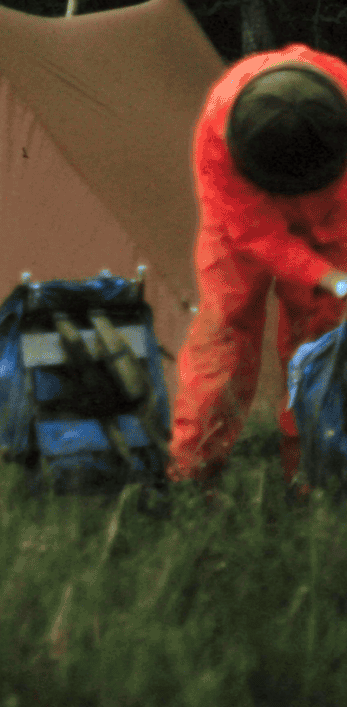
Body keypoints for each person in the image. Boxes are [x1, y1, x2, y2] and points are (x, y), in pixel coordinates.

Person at [167, 43, 347, 485]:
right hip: (240, 230)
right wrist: (332, 279)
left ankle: (311, 475)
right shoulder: (218, 132)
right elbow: (253, 233)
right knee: (225, 336)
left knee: (321, 344)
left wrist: (333, 281)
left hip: (333, 221)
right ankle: (195, 475)